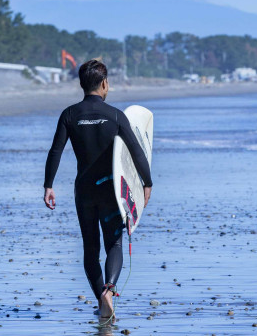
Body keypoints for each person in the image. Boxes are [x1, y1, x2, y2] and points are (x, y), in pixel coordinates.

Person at [43, 59, 153, 319]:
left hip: (84, 191)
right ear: (104, 83)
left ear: (82, 84)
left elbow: (55, 151)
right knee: (114, 243)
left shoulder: (69, 114)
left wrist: (48, 184)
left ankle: (102, 303)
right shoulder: (115, 115)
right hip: (110, 191)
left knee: (90, 249)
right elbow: (137, 152)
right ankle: (109, 291)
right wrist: (146, 183)